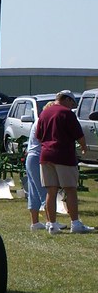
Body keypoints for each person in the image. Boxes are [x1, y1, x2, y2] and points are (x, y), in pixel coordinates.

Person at [36, 90, 93, 233]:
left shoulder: (44, 113)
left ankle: (52, 225)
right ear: (67, 100)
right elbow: (79, 135)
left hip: (45, 156)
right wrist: (84, 147)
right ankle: (75, 224)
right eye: (72, 103)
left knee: (51, 190)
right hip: (63, 156)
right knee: (70, 190)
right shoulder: (67, 113)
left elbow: (39, 136)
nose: (72, 106)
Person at [24, 115, 47, 231]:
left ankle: (35, 222)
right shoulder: (43, 122)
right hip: (38, 157)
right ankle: (51, 221)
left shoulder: (38, 121)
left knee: (33, 192)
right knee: (45, 191)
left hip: (30, 157)